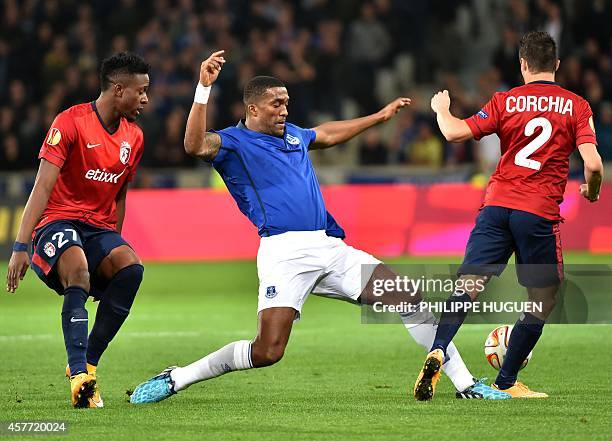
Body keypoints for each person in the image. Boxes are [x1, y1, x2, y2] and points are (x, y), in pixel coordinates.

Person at [129, 50, 508, 404]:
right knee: (267, 352)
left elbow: (327, 133)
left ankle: (466, 384)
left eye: (287, 102)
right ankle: (179, 377)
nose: (284, 109)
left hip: (329, 247)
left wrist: (379, 117)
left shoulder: (294, 135)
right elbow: (194, 145)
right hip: (284, 253)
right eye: (277, 103)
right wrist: (203, 88)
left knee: (406, 296)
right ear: (253, 108)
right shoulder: (233, 143)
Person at [413, 31, 603, 400]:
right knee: (542, 299)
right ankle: (506, 381)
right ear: (557, 65)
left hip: (497, 206)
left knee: (468, 283)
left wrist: (440, 109)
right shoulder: (577, 106)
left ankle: (439, 347)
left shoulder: (505, 100)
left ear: (522, 65)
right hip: (538, 213)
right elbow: (593, 164)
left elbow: (453, 133)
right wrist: (591, 191)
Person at [5, 52, 150, 408]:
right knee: (79, 270)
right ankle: (78, 376)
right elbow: (41, 187)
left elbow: (119, 197)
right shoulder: (70, 122)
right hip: (57, 222)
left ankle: (89, 364)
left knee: (131, 268)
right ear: (118, 90)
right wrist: (20, 245)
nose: (146, 99)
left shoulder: (134, 136)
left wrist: (112, 253)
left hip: (98, 229)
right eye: (141, 91)